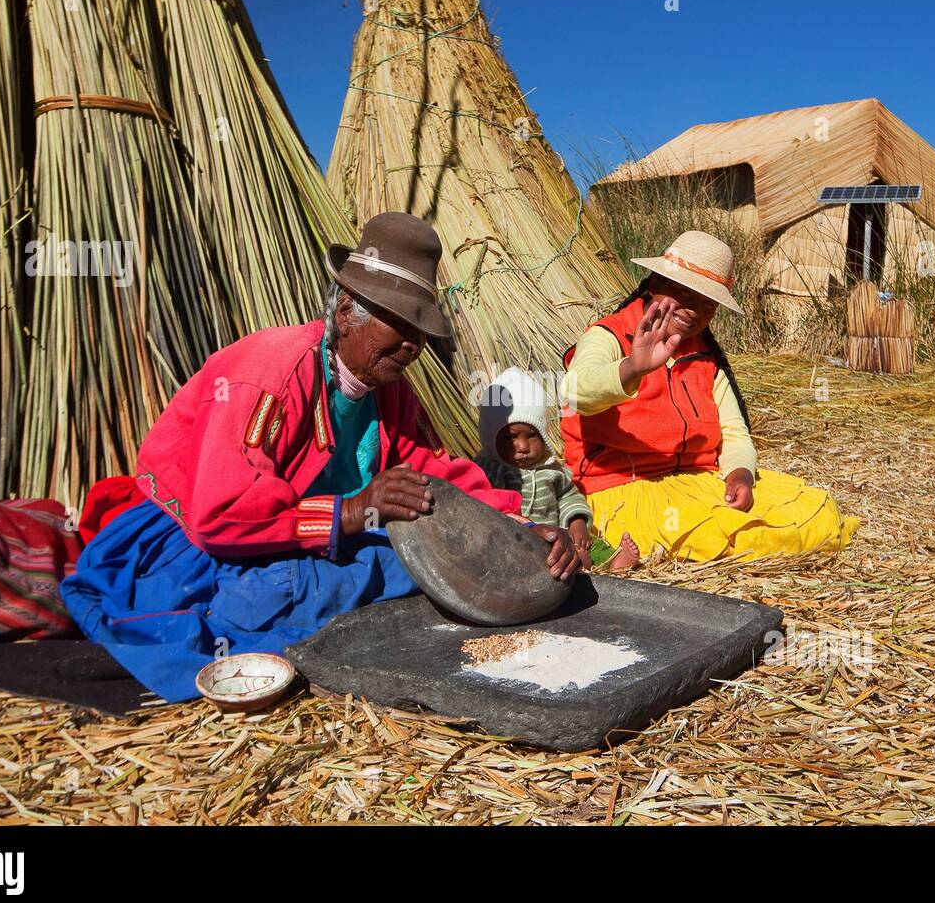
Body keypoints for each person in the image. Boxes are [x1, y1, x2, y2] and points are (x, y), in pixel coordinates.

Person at [61, 213, 580, 701]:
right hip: (200, 544)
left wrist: (517, 527)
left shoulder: (388, 388)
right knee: (299, 589)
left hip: (310, 538)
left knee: (401, 563)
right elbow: (220, 515)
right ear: (347, 309)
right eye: (399, 323)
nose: (412, 345)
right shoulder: (270, 373)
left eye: (419, 329)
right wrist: (354, 511)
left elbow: (432, 473)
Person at [560, 230, 858, 564]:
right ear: (655, 283)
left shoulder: (703, 356)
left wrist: (740, 473)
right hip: (626, 487)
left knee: (817, 512)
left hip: (697, 482)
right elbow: (576, 393)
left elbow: (733, 431)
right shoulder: (610, 335)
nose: (693, 310)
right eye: (684, 292)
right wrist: (632, 368)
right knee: (711, 535)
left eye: (707, 303)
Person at [474, 367, 639, 571]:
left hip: (560, 533)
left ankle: (613, 561)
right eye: (510, 437)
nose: (523, 447)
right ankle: (579, 563)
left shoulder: (551, 468)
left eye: (532, 435)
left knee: (590, 542)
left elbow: (568, 497)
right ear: (491, 437)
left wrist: (577, 523)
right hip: (519, 537)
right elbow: (487, 505)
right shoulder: (490, 469)